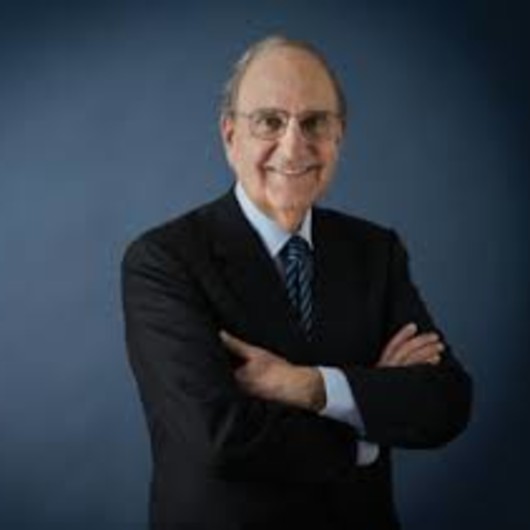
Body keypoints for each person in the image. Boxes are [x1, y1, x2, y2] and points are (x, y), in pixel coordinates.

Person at [121, 35, 472, 530]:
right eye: (270, 121)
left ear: (339, 136)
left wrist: (308, 386)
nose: (293, 146)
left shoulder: (375, 251)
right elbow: (219, 437)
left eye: (314, 122)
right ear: (229, 136)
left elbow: (445, 401)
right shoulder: (164, 260)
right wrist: (366, 430)